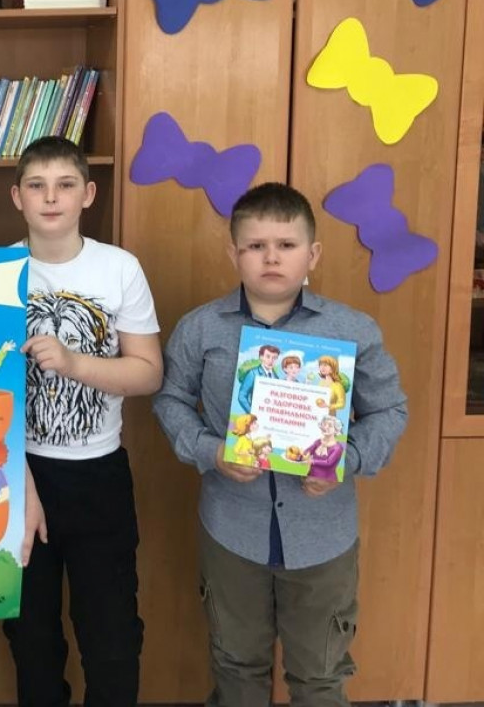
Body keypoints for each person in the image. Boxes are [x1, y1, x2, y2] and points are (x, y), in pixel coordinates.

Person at [153, 181, 408, 707]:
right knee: (235, 666)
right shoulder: (200, 329)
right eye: (256, 245)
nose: (271, 257)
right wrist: (210, 450)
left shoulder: (351, 330)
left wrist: (346, 460)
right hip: (231, 530)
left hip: (322, 536)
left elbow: (389, 410)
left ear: (312, 254)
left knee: (320, 676)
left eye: (286, 245)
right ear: (234, 254)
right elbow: (170, 400)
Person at [4, 136, 163, 707]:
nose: (51, 197)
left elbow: (148, 372)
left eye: (65, 184)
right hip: (20, 476)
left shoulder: (119, 268)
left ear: (88, 194)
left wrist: (74, 364)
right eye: (37, 185)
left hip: (99, 475)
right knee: (31, 638)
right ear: (17, 197)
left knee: (112, 636)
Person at [303, 415, 346, 482]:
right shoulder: (318, 442)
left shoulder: (337, 448)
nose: (325, 427)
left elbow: (328, 462)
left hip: (327, 481)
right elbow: (308, 451)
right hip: (310, 477)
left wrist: (313, 461)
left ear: (336, 430)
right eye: (324, 424)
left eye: (330, 426)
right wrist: (300, 455)